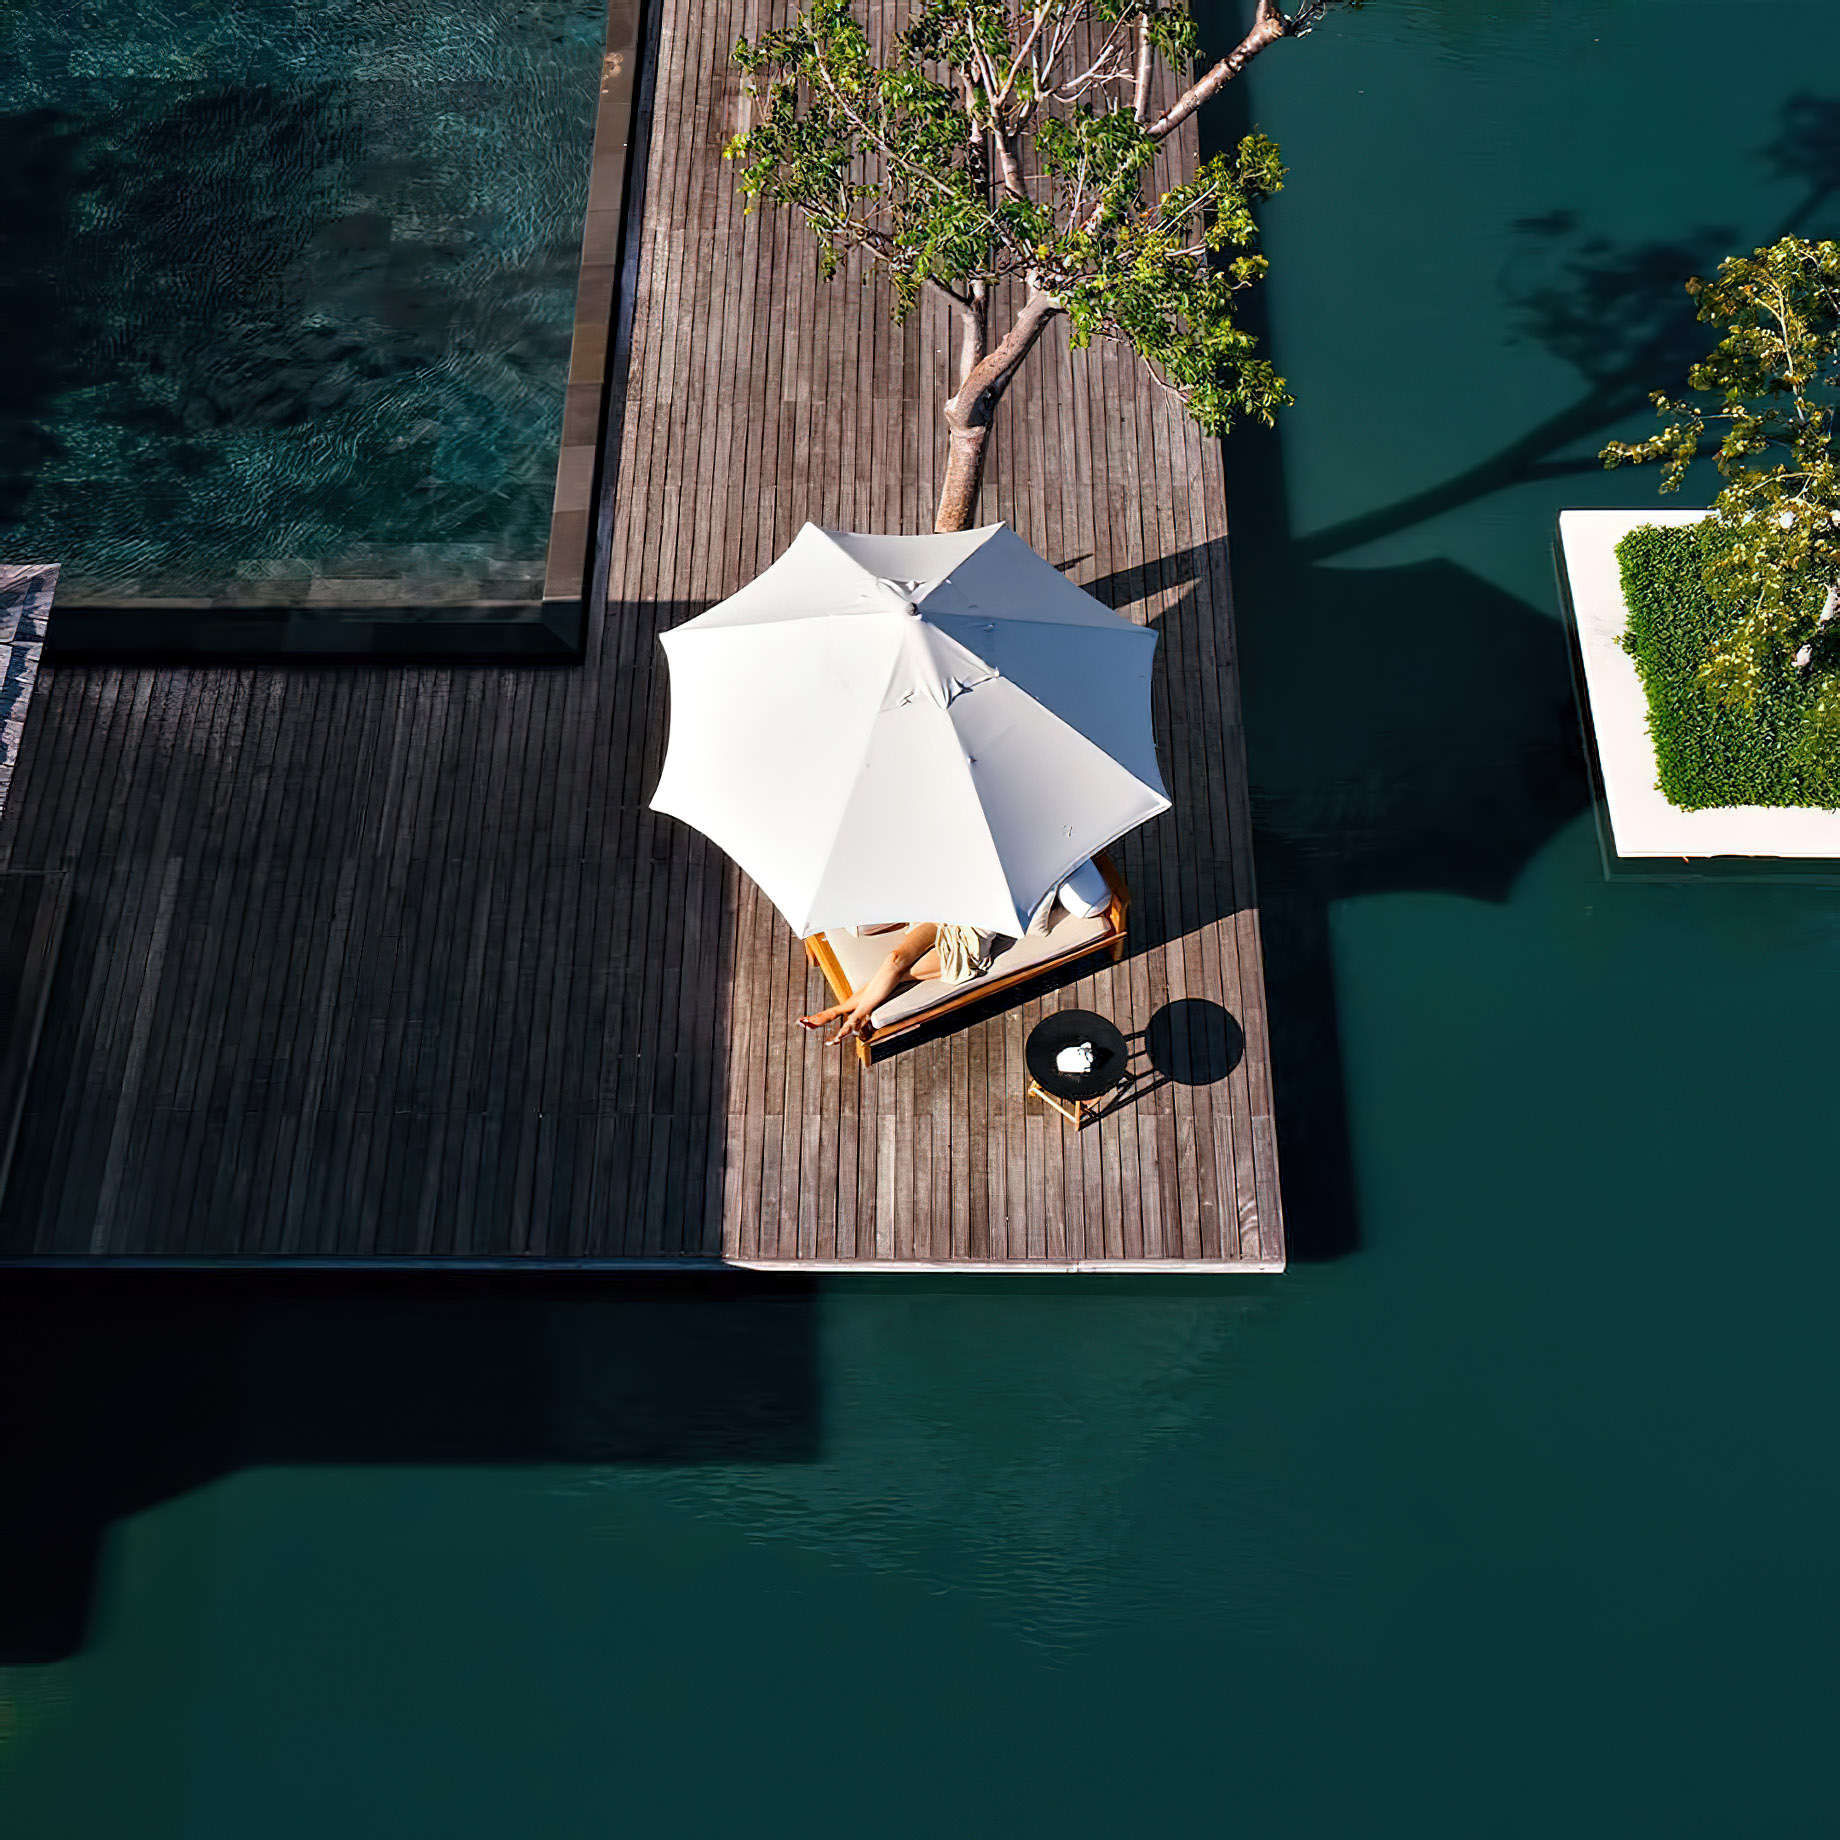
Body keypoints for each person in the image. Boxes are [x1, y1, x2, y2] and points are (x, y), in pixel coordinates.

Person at [799, 922, 994, 1047]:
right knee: (895, 959)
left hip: (967, 940)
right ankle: (845, 1014)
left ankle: (845, 1014)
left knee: (902, 974)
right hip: (941, 919)